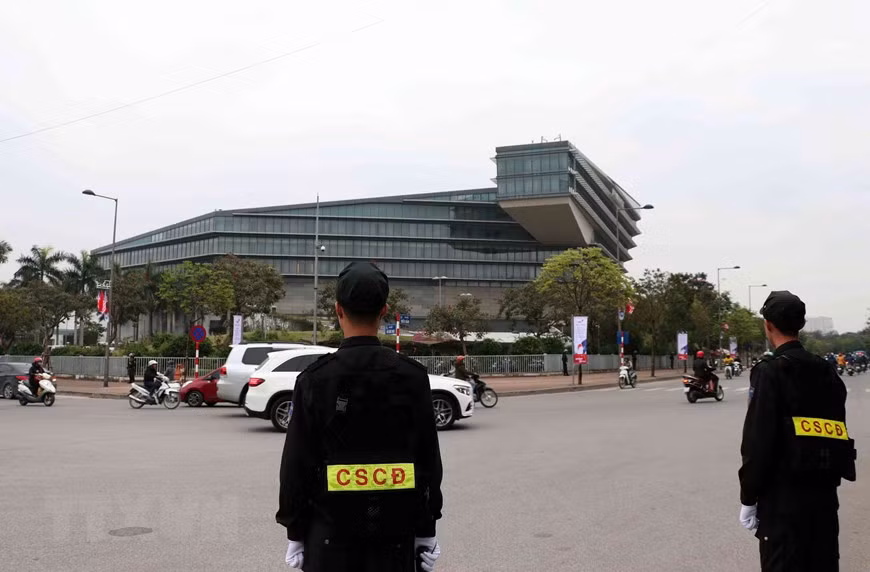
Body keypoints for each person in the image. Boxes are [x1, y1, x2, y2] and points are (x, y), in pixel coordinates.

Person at [276, 262, 444, 572]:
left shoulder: (314, 380)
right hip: (396, 538)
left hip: (329, 539)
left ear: (338, 309)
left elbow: (296, 466)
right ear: (384, 311)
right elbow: (428, 461)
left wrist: (295, 532)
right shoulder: (413, 377)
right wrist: (426, 530)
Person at [739, 291, 855, 571]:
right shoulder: (827, 371)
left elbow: (758, 442)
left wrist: (748, 498)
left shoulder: (769, 372)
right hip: (824, 497)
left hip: (783, 501)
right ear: (800, 325)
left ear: (768, 325)